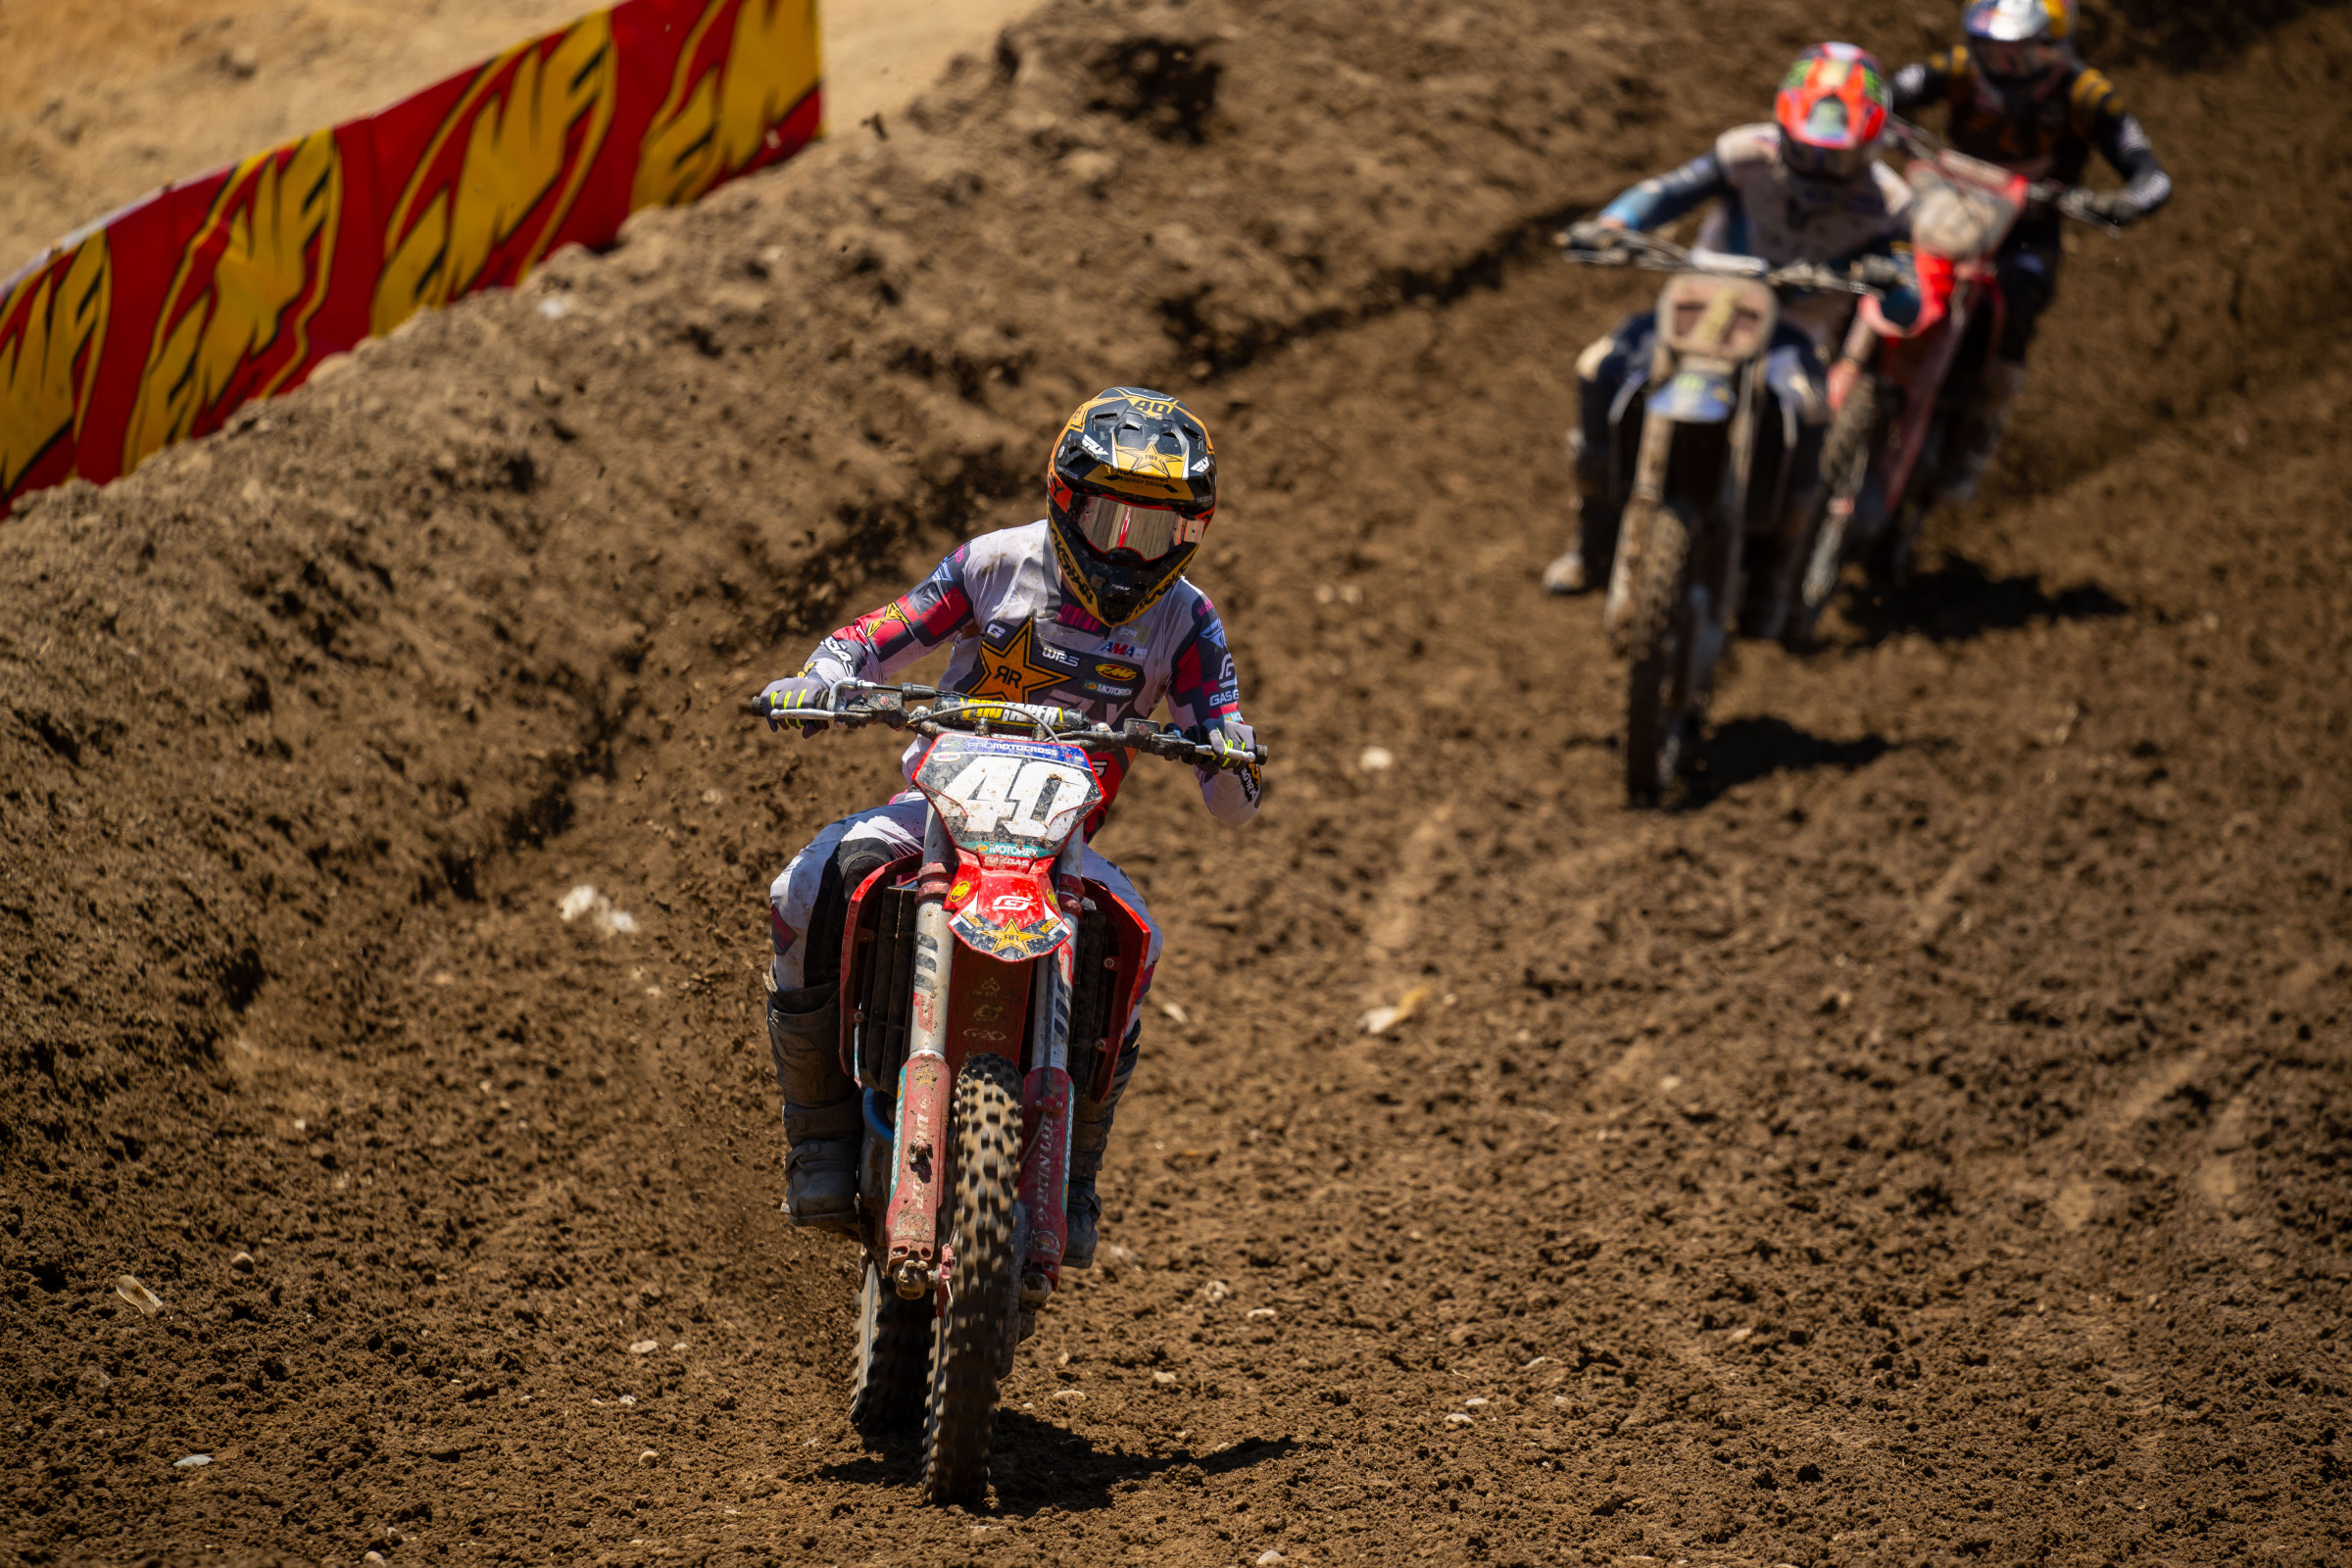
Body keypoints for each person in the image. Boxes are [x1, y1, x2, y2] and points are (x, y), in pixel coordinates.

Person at [755, 387, 1260, 1267]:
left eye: (1158, 533)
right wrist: (823, 672)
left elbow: (1231, 794)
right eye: (1111, 521)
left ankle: (1075, 1176)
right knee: (805, 887)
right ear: (1067, 502)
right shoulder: (994, 563)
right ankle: (820, 1139)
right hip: (943, 814)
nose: (1128, 552)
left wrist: (1228, 750)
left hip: (1059, 848)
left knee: (1136, 950)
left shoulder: (1187, 621)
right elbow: (886, 632)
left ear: (1195, 533)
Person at [1542, 42, 1919, 640]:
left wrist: (1893, 279)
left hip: (1792, 332)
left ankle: (1772, 583)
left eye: (1836, 159)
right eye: (1806, 152)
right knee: (1601, 366)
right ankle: (1593, 540)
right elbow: (1667, 191)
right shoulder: (1745, 153)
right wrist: (1614, 224)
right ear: (1783, 125)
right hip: (1699, 303)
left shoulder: (1891, 204)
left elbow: (1908, 295)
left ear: (1871, 144)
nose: (1818, 171)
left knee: (1807, 408)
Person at [1890, 0, 2172, 501]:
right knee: (1882, 254)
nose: (2001, 67)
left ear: (2052, 47)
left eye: (2016, 55)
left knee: (2019, 298)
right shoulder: (1959, 68)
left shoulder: (2085, 95)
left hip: (2027, 228)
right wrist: (1881, 113)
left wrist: (2127, 201)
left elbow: (2149, 171)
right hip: (1948, 204)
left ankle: (1978, 431)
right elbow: (1895, 91)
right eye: (1991, 51)